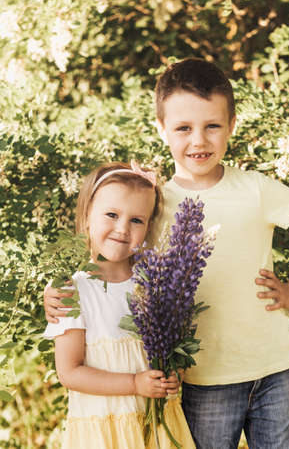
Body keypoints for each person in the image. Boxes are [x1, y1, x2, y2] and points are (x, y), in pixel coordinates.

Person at [44, 59, 289, 449]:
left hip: (274, 367)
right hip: (202, 381)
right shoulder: (150, 203)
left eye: (212, 126)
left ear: (232, 125)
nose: (198, 141)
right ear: (161, 129)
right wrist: (57, 295)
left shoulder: (256, 189)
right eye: (184, 128)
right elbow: (113, 265)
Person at [43, 161, 196, 449]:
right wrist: (135, 384)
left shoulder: (156, 284)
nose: (122, 228)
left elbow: (171, 353)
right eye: (111, 215)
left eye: (136, 220)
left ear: (149, 226)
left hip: (159, 428)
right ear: (88, 215)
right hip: (106, 433)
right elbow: (70, 372)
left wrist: (172, 377)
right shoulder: (70, 291)